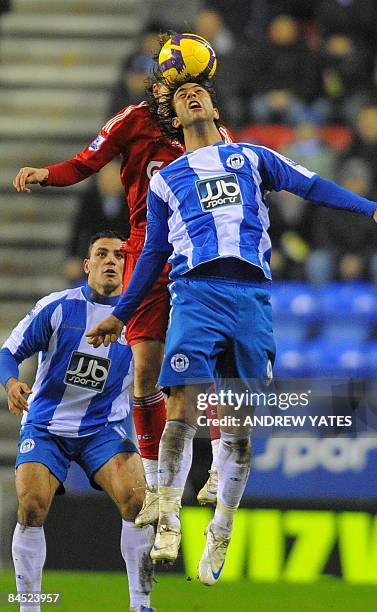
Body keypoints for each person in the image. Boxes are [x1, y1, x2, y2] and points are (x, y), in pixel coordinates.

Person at [86, 80, 377, 586]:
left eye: (199, 90)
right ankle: (170, 519)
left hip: (251, 298)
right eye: (181, 96)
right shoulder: (168, 179)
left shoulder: (252, 158)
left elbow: (312, 185)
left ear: (216, 108)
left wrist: (370, 208)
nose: (191, 95)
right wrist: (122, 312)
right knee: (180, 402)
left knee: (239, 427)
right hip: (196, 292)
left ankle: (220, 531)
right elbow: (154, 252)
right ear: (175, 119)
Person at [12, 43, 232, 524]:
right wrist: (47, 174)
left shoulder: (215, 134)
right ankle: (156, 480)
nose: (160, 92)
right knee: (146, 373)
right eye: (164, 87)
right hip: (145, 253)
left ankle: (220, 465)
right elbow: (87, 162)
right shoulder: (133, 120)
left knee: (209, 357)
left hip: (195, 252)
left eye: (171, 85)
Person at [0, 231, 155, 612]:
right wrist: (12, 381)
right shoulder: (58, 308)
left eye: (120, 255)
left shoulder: (141, 319)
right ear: (87, 266)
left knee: (138, 502)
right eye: (102, 254)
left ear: (129, 265)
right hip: (47, 426)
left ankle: (140, 605)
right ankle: (30, 606)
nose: (111, 261)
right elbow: (8, 351)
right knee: (33, 506)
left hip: (104, 428)